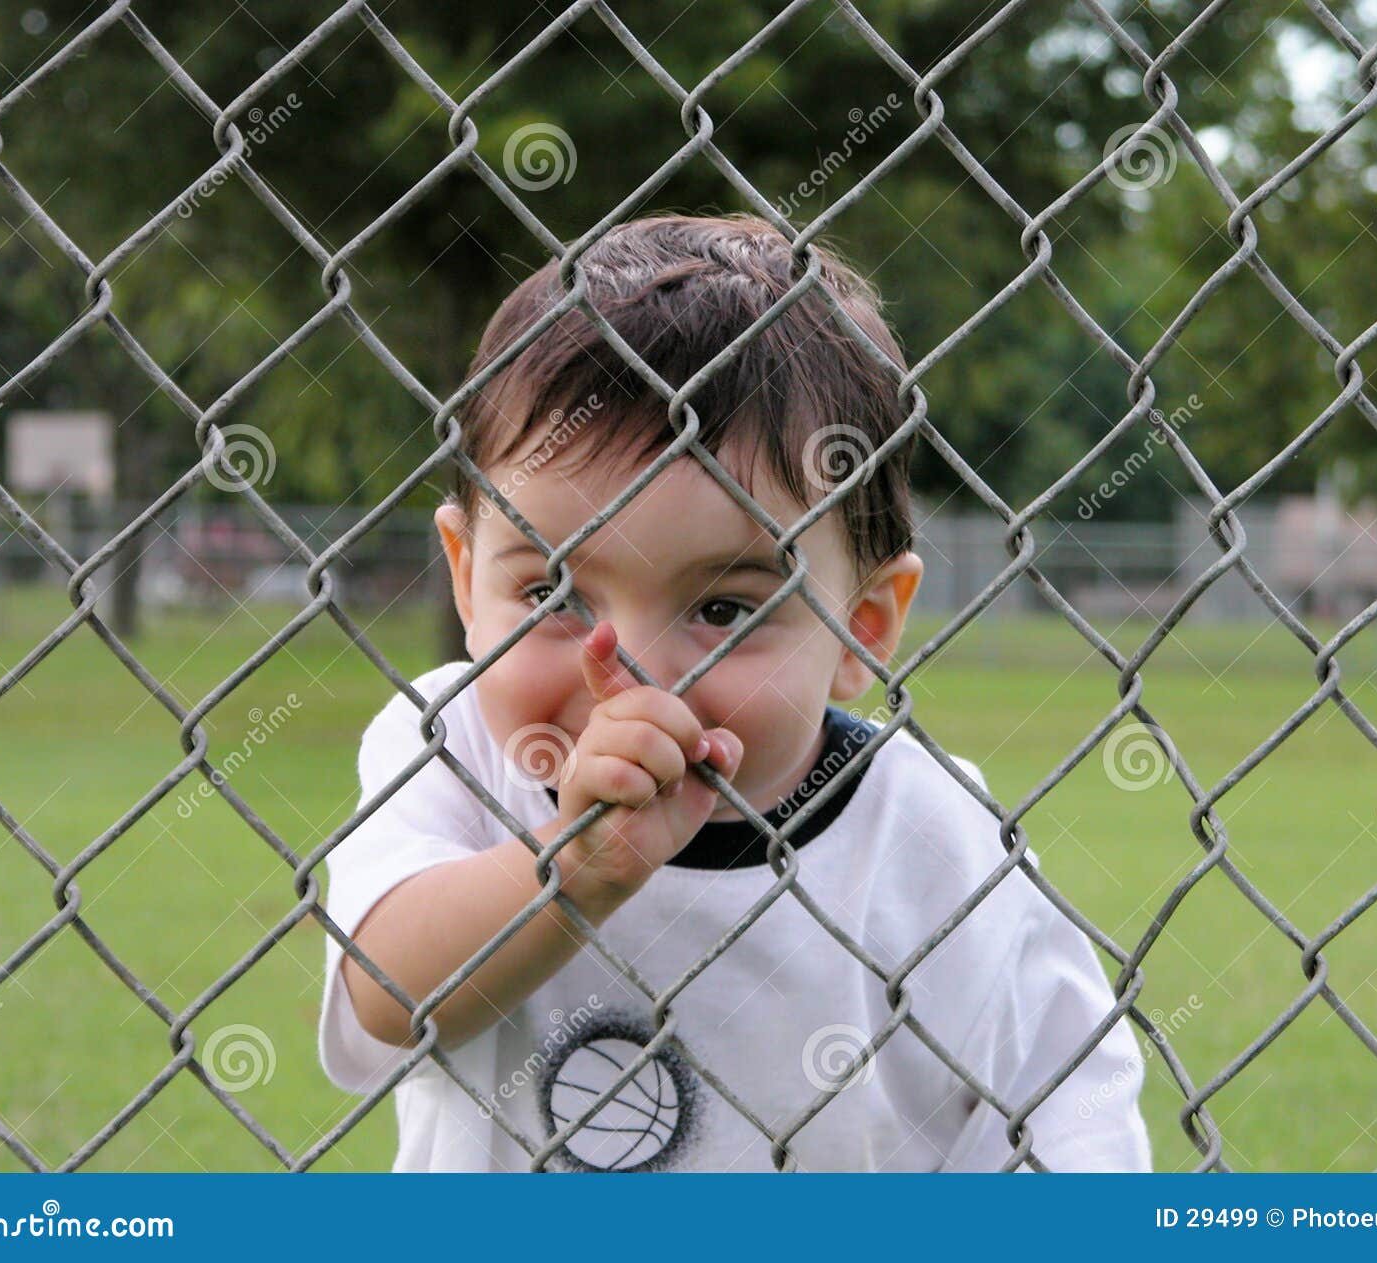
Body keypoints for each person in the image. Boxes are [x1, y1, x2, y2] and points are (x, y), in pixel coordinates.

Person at [317, 212, 1153, 1172]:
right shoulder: (452, 746)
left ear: (861, 627)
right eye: (551, 591)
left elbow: (1068, 1108)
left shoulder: (934, 833)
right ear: (467, 578)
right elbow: (385, 995)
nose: (630, 671)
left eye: (724, 607)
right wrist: (574, 873)